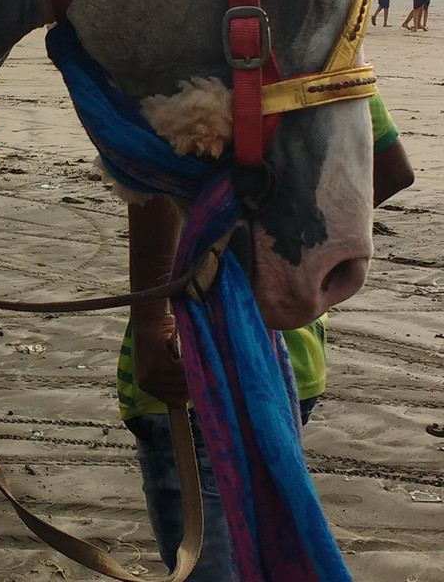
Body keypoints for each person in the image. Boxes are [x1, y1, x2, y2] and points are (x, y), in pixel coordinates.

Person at [119, 92, 413, 581]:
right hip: (292, 355)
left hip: (196, 361)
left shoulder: (178, 53)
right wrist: (288, 237)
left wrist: (154, 323)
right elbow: (391, 166)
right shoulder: (322, 60)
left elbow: (155, 185)